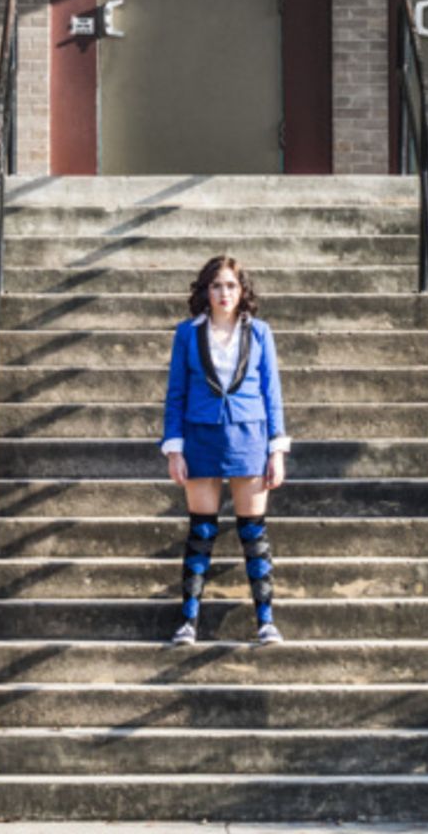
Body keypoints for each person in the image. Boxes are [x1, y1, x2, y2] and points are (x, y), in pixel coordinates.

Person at [161, 254, 290, 645]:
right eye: (216, 285)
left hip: (249, 435)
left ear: (242, 290)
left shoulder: (261, 332)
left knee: (253, 533)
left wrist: (277, 449)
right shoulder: (187, 333)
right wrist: (174, 449)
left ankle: (265, 620)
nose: (224, 293)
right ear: (206, 290)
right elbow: (175, 394)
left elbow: (272, 392)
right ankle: (188, 621)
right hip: (200, 435)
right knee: (201, 530)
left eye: (231, 285)